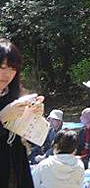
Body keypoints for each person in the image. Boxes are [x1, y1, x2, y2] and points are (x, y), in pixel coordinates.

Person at [0, 38, 43, 188]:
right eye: (2, 67)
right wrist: (2, 117)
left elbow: (29, 140)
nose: (7, 74)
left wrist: (34, 117)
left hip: (16, 169)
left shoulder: (14, 96)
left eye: (12, 69)